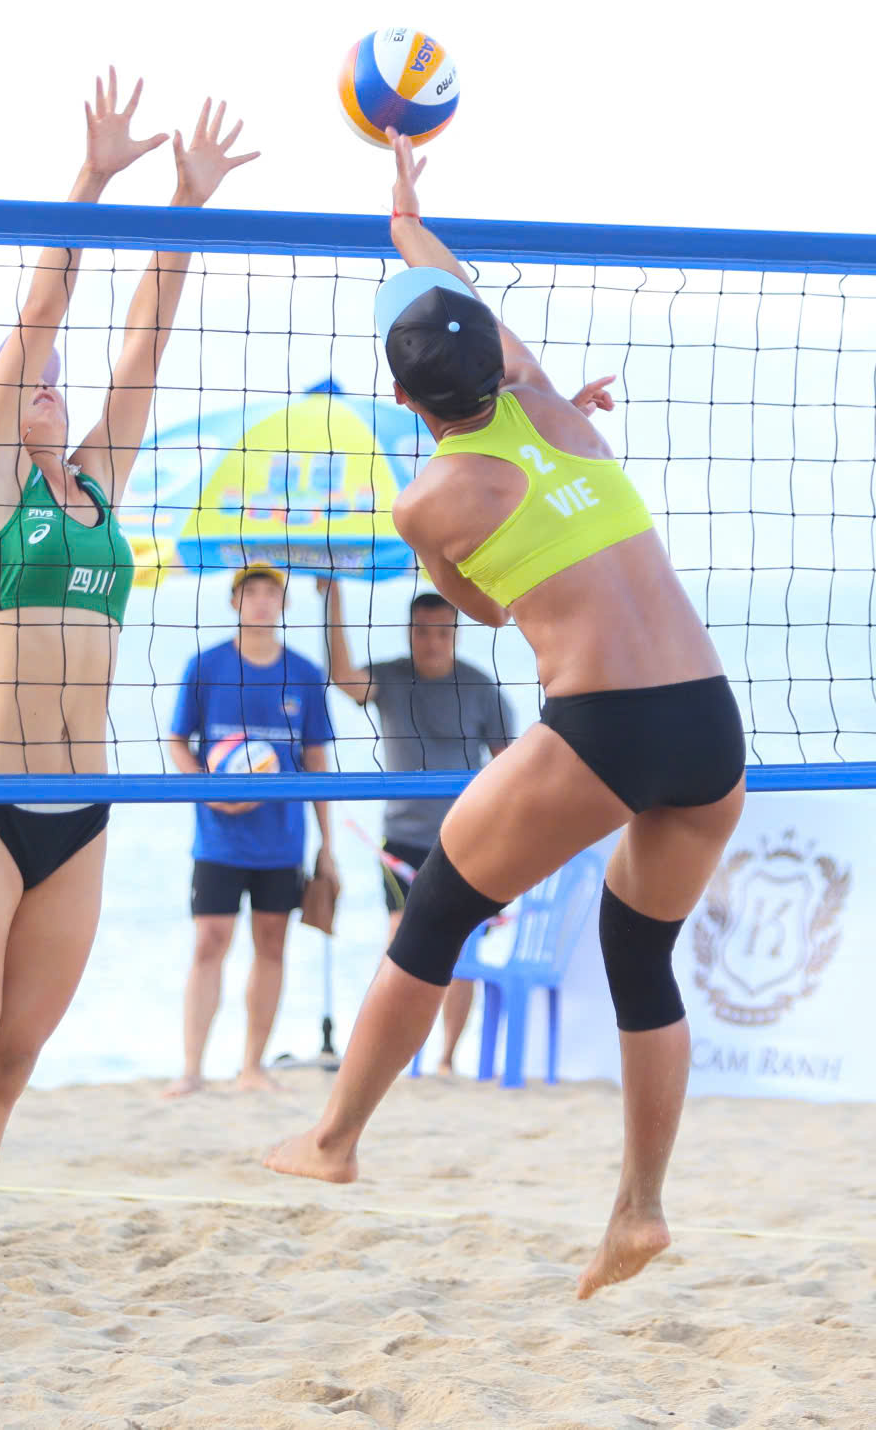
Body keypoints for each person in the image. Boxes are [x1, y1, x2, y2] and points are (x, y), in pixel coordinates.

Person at [270, 131, 748, 1304]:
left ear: (398, 397)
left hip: (608, 726)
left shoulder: (428, 496)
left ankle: (333, 1143)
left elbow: (478, 609)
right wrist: (405, 216)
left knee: (433, 916)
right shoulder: (555, 406)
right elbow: (463, 295)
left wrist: (394, 231)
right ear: (501, 360)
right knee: (641, 958)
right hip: (709, 722)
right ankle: (638, 1211)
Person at [0, 74, 255, 1409]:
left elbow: (143, 334)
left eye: (42, 378)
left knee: (13, 1063)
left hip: (85, 812)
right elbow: (45, 309)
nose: (40, 376)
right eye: (11, 378)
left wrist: (185, 205)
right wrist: (88, 183)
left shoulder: (96, 474)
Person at [321, 576, 516, 1071]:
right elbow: (343, 678)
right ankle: (394, 1057)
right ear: (410, 632)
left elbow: (510, 765)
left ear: (455, 633)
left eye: (442, 632)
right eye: (423, 631)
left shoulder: (478, 686)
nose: (432, 641)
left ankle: (447, 1060)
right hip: (402, 840)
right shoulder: (389, 677)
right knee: (399, 943)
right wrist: (332, 598)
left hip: (464, 840)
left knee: (462, 951)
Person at [165, 563, 339, 1096]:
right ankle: (192, 1069)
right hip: (217, 835)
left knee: (272, 944)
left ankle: (251, 1067)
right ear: (235, 602)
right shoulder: (207, 665)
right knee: (209, 943)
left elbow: (316, 760)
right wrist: (209, 790)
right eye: (251, 592)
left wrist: (328, 846)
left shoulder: (305, 674)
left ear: (283, 604)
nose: (261, 601)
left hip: (281, 838)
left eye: (271, 593)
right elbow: (177, 741)